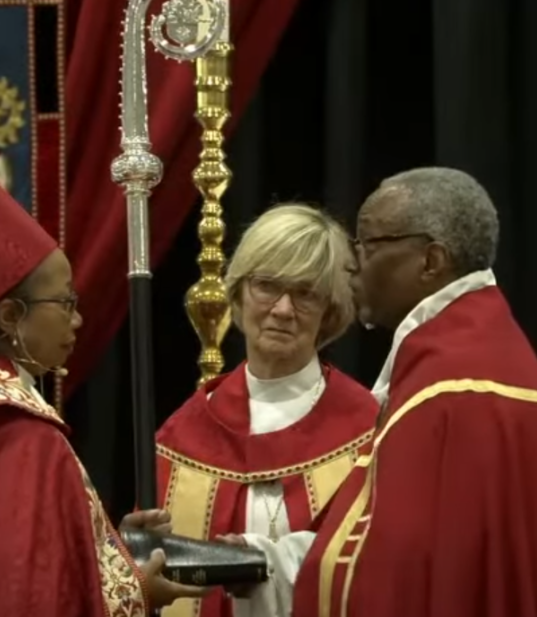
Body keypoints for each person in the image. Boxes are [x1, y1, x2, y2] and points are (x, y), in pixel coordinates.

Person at [235, 167, 537, 617]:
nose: (353, 262)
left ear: (430, 261)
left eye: (367, 243)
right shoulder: (490, 361)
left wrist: (256, 564)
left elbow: (390, 579)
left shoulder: (449, 394)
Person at [0, 174, 208, 617]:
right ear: (11, 315)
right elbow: (23, 598)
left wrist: (108, 547)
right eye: (65, 302)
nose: (78, 319)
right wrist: (137, 594)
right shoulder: (19, 435)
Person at [155, 204, 378, 617]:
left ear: (330, 310)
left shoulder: (368, 429)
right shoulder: (184, 433)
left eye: (306, 293)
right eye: (267, 286)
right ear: (238, 291)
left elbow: (379, 569)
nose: (282, 309)